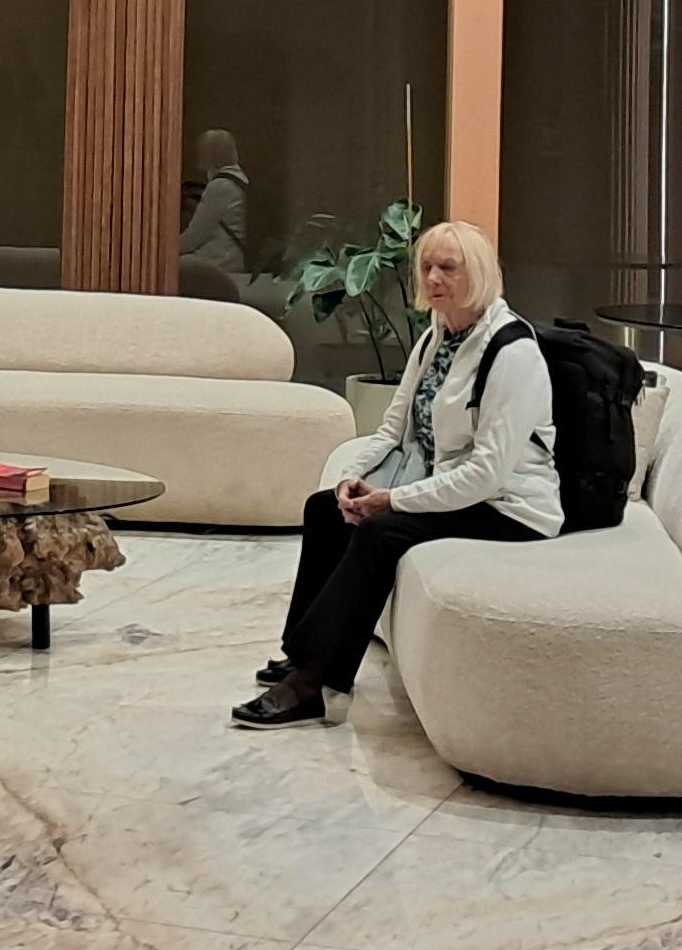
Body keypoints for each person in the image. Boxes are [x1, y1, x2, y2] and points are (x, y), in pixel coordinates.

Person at [235, 217, 553, 728]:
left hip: (508, 507)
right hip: (457, 489)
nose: (433, 278)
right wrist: (352, 477)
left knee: (381, 531)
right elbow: (393, 427)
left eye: (448, 268)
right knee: (325, 509)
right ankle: (302, 655)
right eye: (426, 267)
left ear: (478, 272)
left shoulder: (512, 352)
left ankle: (312, 684)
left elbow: (487, 474)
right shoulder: (437, 336)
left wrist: (392, 500)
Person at [179, 130, 250, 289]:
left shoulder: (220, 186)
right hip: (230, 258)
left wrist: (165, 249)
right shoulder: (237, 180)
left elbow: (194, 237)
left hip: (219, 260)